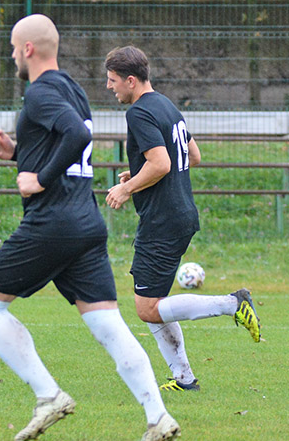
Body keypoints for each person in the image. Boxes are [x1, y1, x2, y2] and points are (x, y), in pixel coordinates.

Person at [0, 15, 178, 441]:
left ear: (27, 49)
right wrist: (16, 155)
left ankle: (49, 396)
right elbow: (69, 141)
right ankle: (158, 417)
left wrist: (38, 178)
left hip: (52, 224)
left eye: (12, 47)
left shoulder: (41, 90)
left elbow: (76, 135)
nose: (11, 56)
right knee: (107, 324)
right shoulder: (73, 90)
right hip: (85, 222)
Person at [104, 45, 261, 392]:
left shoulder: (139, 113)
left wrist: (128, 188)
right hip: (179, 214)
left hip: (163, 221)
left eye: (113, 80)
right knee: (154, 302)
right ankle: (184, 379)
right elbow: (193, 155)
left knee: (147, 308)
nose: (109, 86)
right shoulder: (166, 104)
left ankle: (233, 304)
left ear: (131, 80)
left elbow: (161, 164)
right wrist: (136, 177)